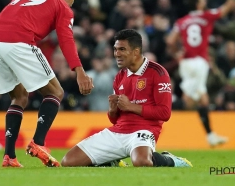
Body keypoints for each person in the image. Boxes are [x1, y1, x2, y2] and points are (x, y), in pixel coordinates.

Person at [0, 0, 94, 167]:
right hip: (18, 42)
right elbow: (66, 39)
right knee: (56, 92)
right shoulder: (63, 6)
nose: (72, 3)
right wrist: (79, 71)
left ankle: (9, 156)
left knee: (19, 96)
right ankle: (38, 143)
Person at [61, 29, 192, 168]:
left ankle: (171, 160)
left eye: (122, 49)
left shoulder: (158, 72)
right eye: (115, 49)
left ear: (136, 52)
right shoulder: (119, 76)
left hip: (144, 131)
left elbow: (165, 113)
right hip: (118, 132)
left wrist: (130, 106)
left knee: (142, 162)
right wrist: (112, 110)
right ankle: (112, 162)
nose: (117, 54)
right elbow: (115, 120)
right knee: (69, 162)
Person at [166, 0, 235, 147]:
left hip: (187, 63)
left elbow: (170, 40)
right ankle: (151, 119)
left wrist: (177, 54)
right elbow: (228, 6)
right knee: (190, 102)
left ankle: (210, 135)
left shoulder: (182, 21)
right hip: (198, 62)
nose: (205, 1)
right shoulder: (206, 16)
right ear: (198, 3)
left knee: (203, 99)